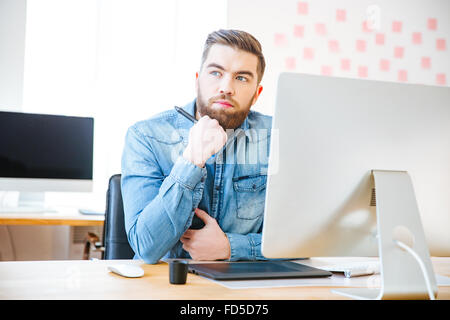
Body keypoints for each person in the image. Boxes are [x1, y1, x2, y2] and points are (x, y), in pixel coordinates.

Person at [121, 29, 272, 264]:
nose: (226, 87)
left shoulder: (275, 138)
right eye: (215, 72)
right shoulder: (145, 136)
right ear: (197, 80)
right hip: (167, 287)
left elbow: (303, 239)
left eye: (241, 78)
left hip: (247, 287)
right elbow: (146, 248)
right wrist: (191, 160)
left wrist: (231, 247)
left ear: (256, 94)